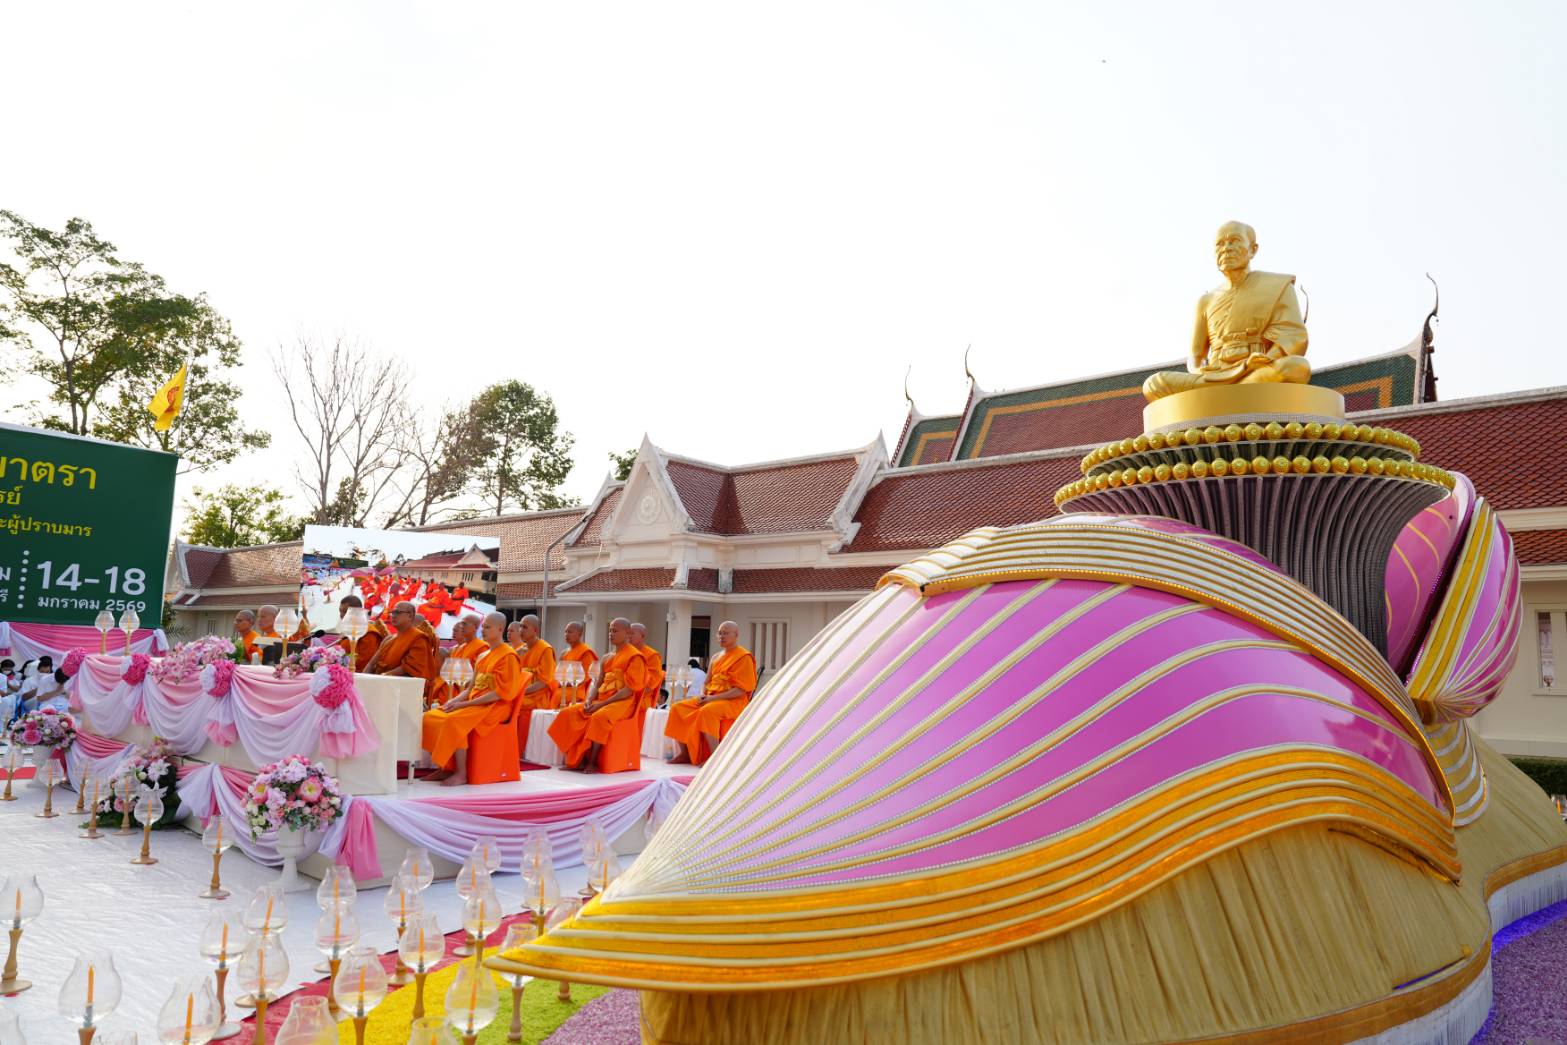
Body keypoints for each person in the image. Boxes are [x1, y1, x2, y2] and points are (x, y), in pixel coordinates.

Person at [1143, 221, 1311, 402]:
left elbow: (1293, 336)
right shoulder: (1206, 301)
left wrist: (1262, 361)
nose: (1226, 248)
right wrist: (1202, 372)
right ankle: (1231, 391)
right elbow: (1195, 357)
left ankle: (1221, 395)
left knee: (1296, 367)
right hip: (1216, 375)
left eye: (1234, 241)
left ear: (1253, 249)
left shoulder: (1277, 286)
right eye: (1220, 244)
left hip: (1257, 370)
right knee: (1154, 383)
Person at [419, 613, 527, 786]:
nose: (483, 630)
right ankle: (446, 766)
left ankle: (461, 773)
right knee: (431, 716)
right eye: (483, 627)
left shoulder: (508, 656)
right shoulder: (484, 656)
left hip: (496, 707)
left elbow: (500, 693)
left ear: (500, 629)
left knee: (454, 721)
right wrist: (453, 701)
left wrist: (464, 704)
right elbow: (470, 689)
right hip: (476, 703)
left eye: (488, 627)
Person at [548, 618, 647, 772]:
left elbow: (628, 690)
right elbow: (598, 683)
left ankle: (592, 762)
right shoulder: (607, 657)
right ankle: (577, 760)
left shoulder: (635, 657)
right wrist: (589, 699)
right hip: (602, 700)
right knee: (568, 713)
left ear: (627, 633)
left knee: (598, 717)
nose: (611, 634)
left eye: (615, 631)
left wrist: (601, 704)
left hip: (622, 703)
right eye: (610, 630)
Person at [666, 621, 757, 766]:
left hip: (734, 701)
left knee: (707, 711)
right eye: (719, 633)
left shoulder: (743, 657)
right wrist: (703, 694)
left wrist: (712, 699)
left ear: (736, 635)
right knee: (677, 708)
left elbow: (741, 690)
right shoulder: (716, 657)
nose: (722, 636)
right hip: (711, 697)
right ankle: (685, 753)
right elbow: (706, 681)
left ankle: (715, 758)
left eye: (726, 633)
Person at [364, 602, 440, 704]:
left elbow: (407, 669)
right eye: (392, 612)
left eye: (398, 612)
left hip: (399, 691)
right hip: (380, 683)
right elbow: (371, 663)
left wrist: (382, 678)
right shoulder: (389, 638)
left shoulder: (418, 639)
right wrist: (362, 680)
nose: (393, 615)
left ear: (410, 616)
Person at [511, 614, 558, 713]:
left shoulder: (545, 649)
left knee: (509, 704)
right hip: (520, 691)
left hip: (538, 696)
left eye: (525, 627)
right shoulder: (520, 650)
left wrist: (521, 692)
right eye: (520, 626)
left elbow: (544, 682)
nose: (521, 630)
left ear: (535, 630)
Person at [334, 594, 386, 670]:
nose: (341, 615)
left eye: (345, 612)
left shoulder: (369, 634)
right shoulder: (348, 628)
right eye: (340, 611)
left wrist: (340, 664)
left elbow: (364, 663)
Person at [558, 621, 598, 706]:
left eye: (570, 632)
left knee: (557, 696)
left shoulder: (586, 652)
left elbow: (587, 676)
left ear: (579, 634)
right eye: (565, 632)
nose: (566, 634)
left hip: (578, 689)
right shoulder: (564, 653)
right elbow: (560, 673)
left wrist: (567, 683)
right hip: (563, 686)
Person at [629, 623, 665, 708]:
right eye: (627, 633)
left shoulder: (652, 655)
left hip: (640, 698)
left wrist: (628, 692)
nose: (628, 636)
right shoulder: (624, 653)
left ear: (643, 636)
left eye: (632, 633)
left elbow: (651, 683)